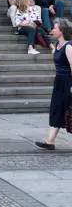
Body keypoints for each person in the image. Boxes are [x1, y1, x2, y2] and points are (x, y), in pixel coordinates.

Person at [35, 19, 72, 150]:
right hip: (59, 82)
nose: (52, 30)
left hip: (68, 82)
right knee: (56, 109)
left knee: (69, 110)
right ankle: (50, 141)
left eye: (55, 28)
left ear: (61, 31)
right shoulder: (57, 45)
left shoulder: (68, 46)